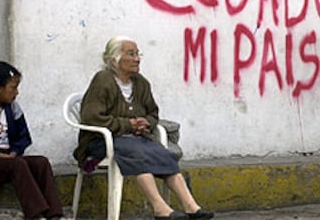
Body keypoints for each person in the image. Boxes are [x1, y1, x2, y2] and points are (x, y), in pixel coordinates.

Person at [73, 36, 214, 220]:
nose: (137, 58)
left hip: (134, 140)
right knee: (136, 153)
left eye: (137, 53)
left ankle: (191, 206)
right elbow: (91, 117)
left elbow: (153, 113)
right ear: (115, 59)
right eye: (131, 54)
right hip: (101, 141)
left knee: (162, 153)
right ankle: (160, 208)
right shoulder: (103, 80)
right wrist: (127, 124)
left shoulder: (140, 83)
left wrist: (146, 122)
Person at [0, 61, 63, 219]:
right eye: (13, 87)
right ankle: (36, 215)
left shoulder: (12, 107)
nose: (16, 92)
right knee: (18, 164)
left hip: (7, 158)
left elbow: (23, 137)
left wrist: (15, 151)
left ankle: (55, 214)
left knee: (41, 162)